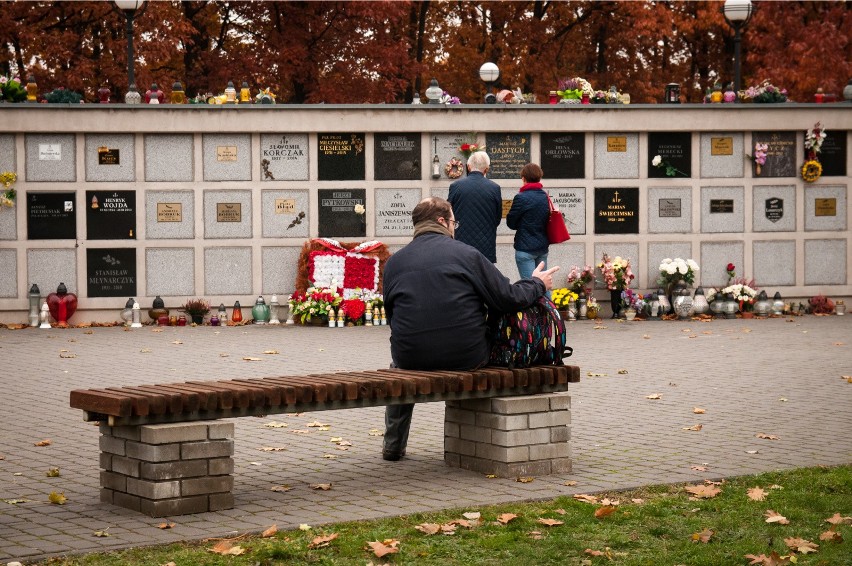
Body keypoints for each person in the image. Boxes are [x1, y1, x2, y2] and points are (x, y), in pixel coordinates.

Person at [380, 196, 559, 461]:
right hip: (466, 356)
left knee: (399, 369)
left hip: (410, 357)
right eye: (454, 221)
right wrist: (536, 283)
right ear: (442, 221)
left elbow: (392, 315)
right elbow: (507, 298)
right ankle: (477, 444)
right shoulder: (466, 255)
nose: (456, 227)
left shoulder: (394, 263)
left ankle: (393, 447)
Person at [447, 151, 502, 263]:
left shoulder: (455, 186)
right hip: (486, 245)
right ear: (486, 169)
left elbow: (448, 213)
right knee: (484, 278)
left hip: (460, 244)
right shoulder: (494, 188)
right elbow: (497, 218)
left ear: (468, 166)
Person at [506, 163, 550, 281]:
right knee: (543, 285)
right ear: (539, 178)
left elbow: (511, 223)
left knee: (530, 288)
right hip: (542, 248)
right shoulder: (545, 196)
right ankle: (548, 300)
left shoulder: (521, 197)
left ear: (524, 178)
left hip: (525, 249)